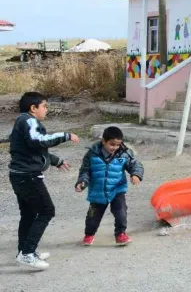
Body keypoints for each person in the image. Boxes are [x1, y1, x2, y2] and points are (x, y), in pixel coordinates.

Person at [8, 92, 79, 270]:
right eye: (44, 106)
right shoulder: (29, 121)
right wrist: (66, 135)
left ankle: (23, 251)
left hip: (19, 175)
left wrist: (56, 161)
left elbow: (32, 150)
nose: (46, 109)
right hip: (28, 177)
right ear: (33, 108)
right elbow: (38, 141)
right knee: (47, 210)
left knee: (29, 214)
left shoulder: (22, 121)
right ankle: (28, 253)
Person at [76, 126, 143, 247]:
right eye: (112, 144)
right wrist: (82, 182)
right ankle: (89, 235)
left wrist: (136, 174)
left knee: (121, 212)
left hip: (117, 189)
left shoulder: (124, 153)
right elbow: (85, 171)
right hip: (98, 191)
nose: (115, 148)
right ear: (104, 141)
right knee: (93, 216)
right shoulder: (92, 154)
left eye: (118, 145)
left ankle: (120, 234)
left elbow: (135, 165)